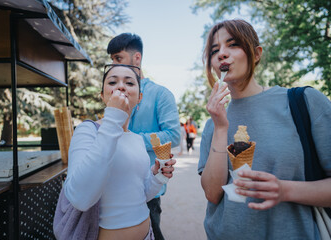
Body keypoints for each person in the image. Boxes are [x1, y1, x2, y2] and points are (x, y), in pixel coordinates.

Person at [198, 19, 331, 240]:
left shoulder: (304, 102)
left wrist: (286, 190)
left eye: (233, 44)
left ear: (256, 53)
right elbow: (212, 194)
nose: (222, 53)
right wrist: (221, 128)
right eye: (215, 50)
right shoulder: (213, 122)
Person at [63, 64, 176, 240]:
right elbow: (80, 198)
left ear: (139, 97)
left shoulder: (137, 139)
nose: (121, 86)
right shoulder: (88, 131)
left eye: (129, 83)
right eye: (113, 82)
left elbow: (140, 194)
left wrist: (157, 176)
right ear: (102, 95)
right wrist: (113, 118)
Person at [107, 33, 181, 240]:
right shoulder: (112, 90)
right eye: (112, 60)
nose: (113, 64)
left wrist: (132, 139)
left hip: (148, 188)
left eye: (118, 58)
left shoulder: (161, 94)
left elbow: (174, 136)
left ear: (137, 58)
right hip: (114, 189)